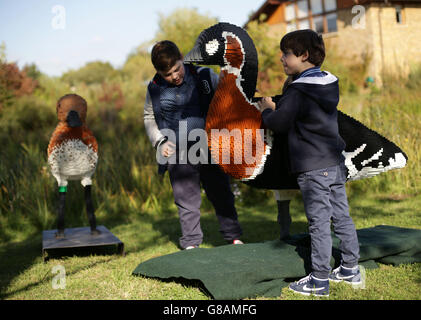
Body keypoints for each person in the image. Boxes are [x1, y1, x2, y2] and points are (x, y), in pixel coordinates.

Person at [257, 30, 361, 297]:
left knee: (318, 223)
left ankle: (319, 280)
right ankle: (350, 269)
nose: (281, 58)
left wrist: (268, 109)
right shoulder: (328, 83)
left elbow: (280, 123)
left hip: (313, 168)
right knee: (342, 217)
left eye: (286, 54)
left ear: (303, 55)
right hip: (335, 162)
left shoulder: (299, 91)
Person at [143, 40, 243, 250]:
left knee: (221, 192)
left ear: (182, 59)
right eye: (168, 74)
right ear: (159, 73)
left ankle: (234, 237)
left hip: (210, 148)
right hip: (177, 153)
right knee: (185, 198)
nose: (175, 76)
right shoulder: (154, 88)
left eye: (177, 69)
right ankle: (191, 243)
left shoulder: (205, 76)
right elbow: (149, 117)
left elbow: (226, 100)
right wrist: (160, 142)